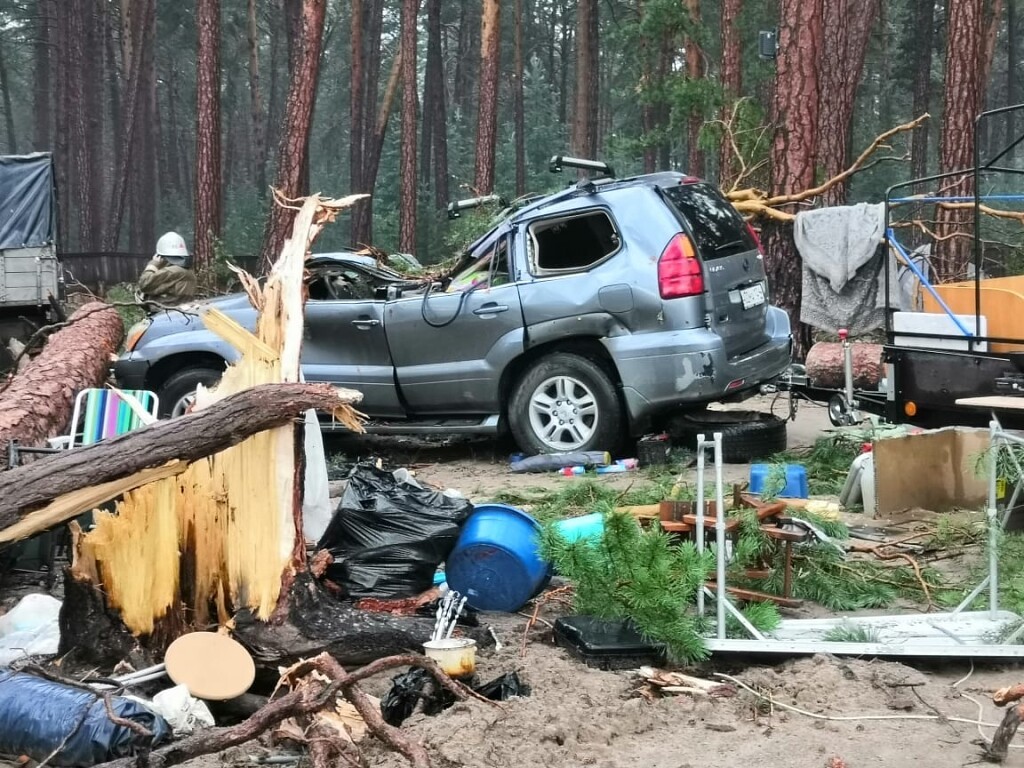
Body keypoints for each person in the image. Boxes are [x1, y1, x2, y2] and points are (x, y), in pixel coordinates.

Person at [138, 231, 198, 305]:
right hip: (179, 312)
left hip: (165, 313)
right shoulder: (188, 272)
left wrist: (153, 265)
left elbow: (144, 284)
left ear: (161, 256)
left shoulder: (171, 272)